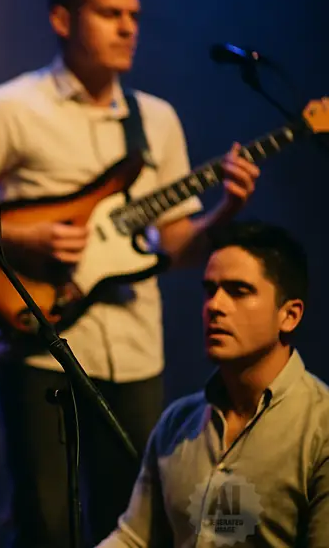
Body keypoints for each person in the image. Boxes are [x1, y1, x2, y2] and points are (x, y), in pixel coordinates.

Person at [0, 0, 260, 547]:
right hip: (39, 351)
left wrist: (225, 211)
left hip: (134, 353)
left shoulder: (156, 120)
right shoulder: (12, 108)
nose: (128, 28)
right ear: (62, 18)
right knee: (42, 524)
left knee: (127, 524)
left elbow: (175, 249)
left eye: (133, 15)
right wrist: (26, 237)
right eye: (108, 13)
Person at [99, 220, 329, 547]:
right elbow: (135, 538)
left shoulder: (321, 430)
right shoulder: (178, 423)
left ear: (289, 315)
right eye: (210, 290)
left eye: (239, 291)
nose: (215, 306)